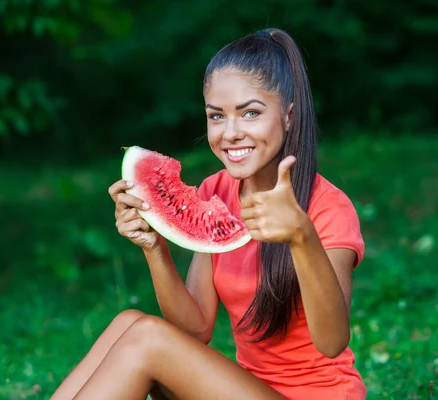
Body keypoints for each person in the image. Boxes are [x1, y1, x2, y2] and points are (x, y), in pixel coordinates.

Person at [51, 28, 366, 400]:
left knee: (146, 338)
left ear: (288, 117)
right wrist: (154, 246)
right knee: (129, 322)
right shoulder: (216, 192)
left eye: (250, 113)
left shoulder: (328, 208)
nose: (230, 133)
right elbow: (196, 329)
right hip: (247, 390)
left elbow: (332, 341)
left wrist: (302, 237)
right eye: (217, 116)